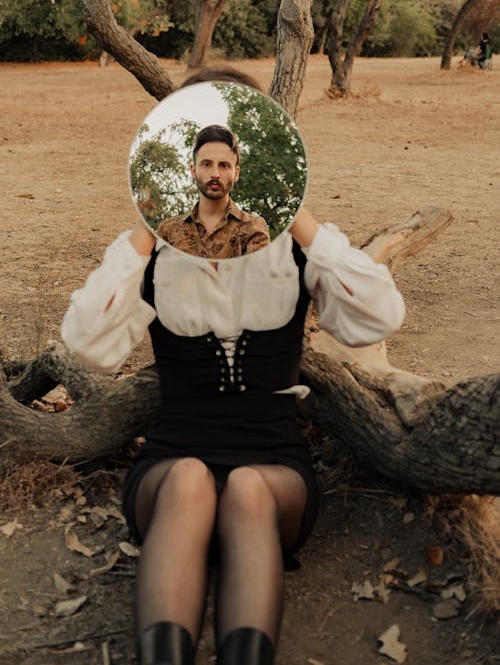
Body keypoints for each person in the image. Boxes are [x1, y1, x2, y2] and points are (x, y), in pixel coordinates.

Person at [60, 68, 406, 665]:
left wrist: (298, 212)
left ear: (238, 167)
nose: (215, 173)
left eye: (226, 163)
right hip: (172, 464)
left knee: (246, 488)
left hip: (273, 466)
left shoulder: (285, 242)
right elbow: (86, 341)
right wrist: (143, 233)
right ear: (190, 167)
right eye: (204, 163)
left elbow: (380, 314)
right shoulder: (158, 248)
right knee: (192, 476)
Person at [157, 124, 270, 259]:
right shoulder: (168, 231)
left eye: (224, 165)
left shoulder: (254, 228)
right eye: (206, 164)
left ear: (236, 173)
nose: (215, 174)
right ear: (193, 171)